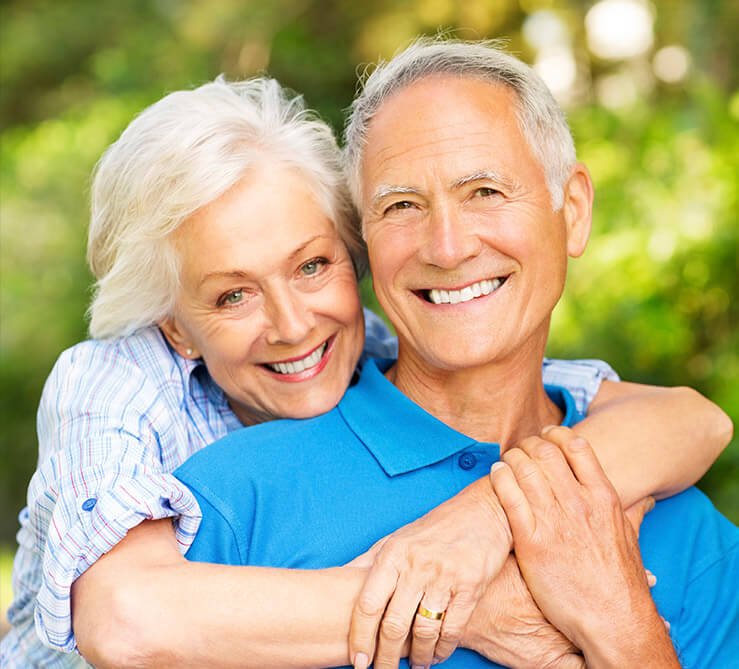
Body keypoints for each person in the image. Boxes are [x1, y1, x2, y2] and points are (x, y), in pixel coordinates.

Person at [0, 75, 730, 669]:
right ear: (173, 326)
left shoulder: (379, 344)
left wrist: (493, 532)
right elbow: (127, 622)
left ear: (352, 254)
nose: (292, 324)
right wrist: (455, 602)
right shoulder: (154, 431)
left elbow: (690, 417)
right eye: (231, 294)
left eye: (312, 265)